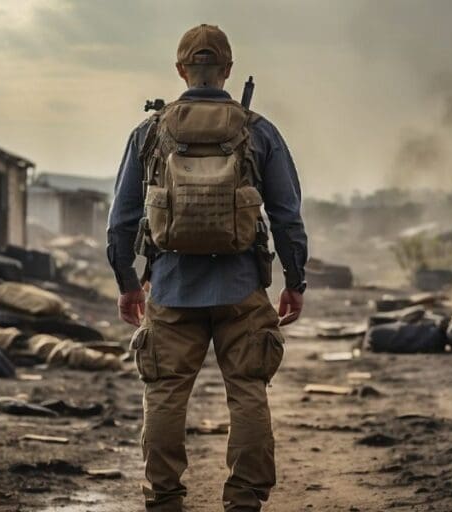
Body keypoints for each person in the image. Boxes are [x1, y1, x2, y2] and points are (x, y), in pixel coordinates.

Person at [107, 23, 308, 512]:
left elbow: (121, 220)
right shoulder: (257, 129)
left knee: (165, 396)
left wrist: (128, 283)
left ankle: (165, 500)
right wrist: (295, 281)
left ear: (181, 70)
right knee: (247, 393)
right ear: (227, 71)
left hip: (172, 289)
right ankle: (244, 500)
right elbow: (286, 216)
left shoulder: (149, 132)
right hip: (241, 288)